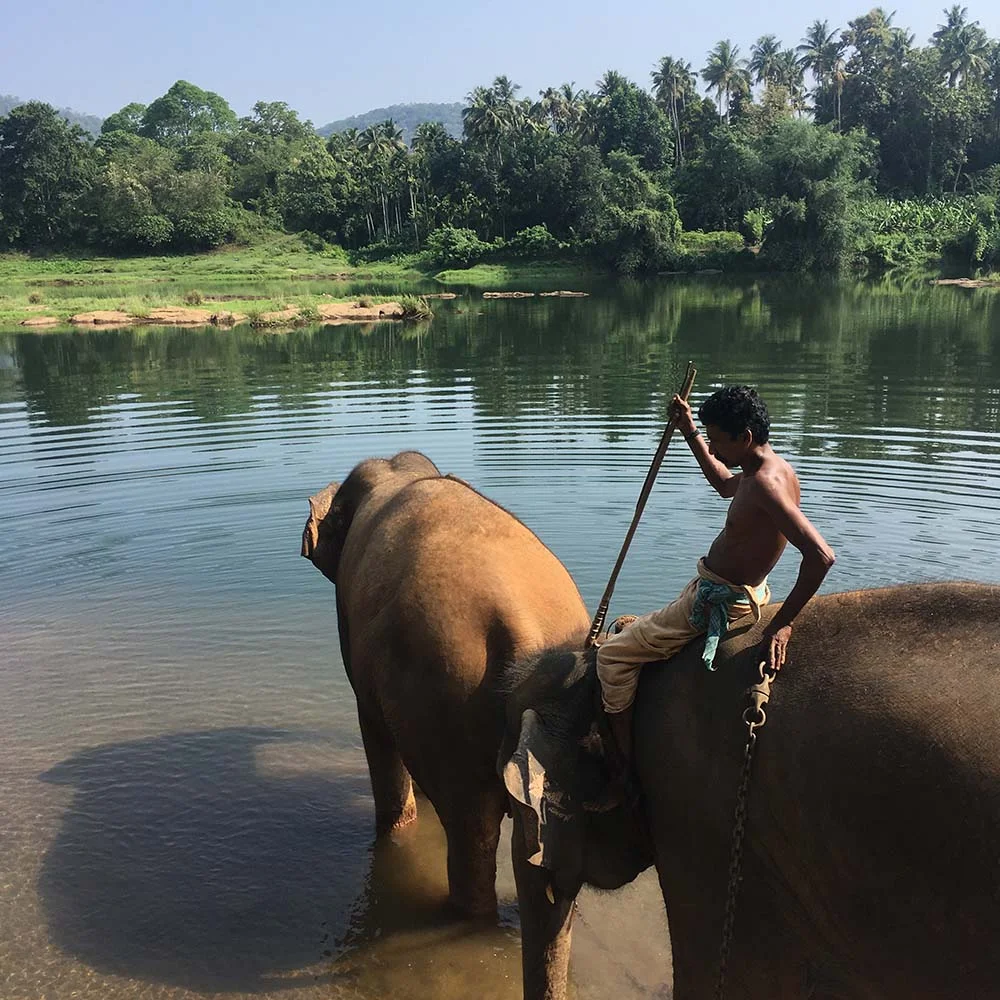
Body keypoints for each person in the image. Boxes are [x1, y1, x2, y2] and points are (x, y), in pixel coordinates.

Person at [596, 384, 836, 764]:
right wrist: (689, 430)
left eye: (718, 441)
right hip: (736, 588)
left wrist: (783, 625)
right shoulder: (770, 468)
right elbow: (725, 485)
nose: (712, 448)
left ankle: (621, 764)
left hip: (719, 600)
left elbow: (821, 556)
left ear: (746, 437)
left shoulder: (765, 485)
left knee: (611, 657)